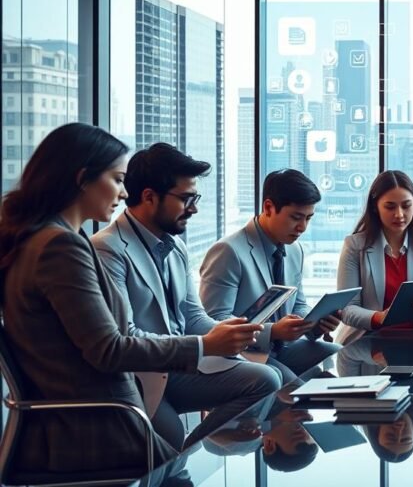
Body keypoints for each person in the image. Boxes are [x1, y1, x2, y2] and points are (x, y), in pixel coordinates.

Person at [0, 123, 261, 474]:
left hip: (93, 416)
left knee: (189, 462)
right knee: (185, 469)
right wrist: (202, 346)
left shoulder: (42, 240)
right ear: (82, 178)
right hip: (103, 424)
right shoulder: (60, 247)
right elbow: (109, 350)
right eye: (118, 179)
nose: (124, 193)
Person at [92, 143, 281, 450]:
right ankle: (182, 452)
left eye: (195, 198)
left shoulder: (174, 244)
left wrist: (227, 332)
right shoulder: (108, 249)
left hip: (179, 367)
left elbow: (192, 316)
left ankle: (199, 445)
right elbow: (126, 337)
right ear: (149, 196)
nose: (193, 208)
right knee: (170, 437)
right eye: (186, 199)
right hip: (139, 377)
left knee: (267, 379)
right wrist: (206, 344)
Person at [201, 169, 340, 382]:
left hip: (282, 348)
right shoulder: (228, 251)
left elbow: (298, 304)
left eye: (308, 218)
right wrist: (273, 331)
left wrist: (312, 322)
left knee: (338, 352)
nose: (302, 227)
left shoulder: (295, 250)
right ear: (268, 207)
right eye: (296, 217)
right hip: (243, 354)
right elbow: (214, 321)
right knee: (294, 386)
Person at [336, 170, 413, 345]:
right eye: (390, 207)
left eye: (406, 205)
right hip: (366, 341)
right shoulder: (355, 246)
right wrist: (379, 317)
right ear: (375, 207)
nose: (399, 214)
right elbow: (346, 309)